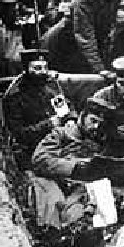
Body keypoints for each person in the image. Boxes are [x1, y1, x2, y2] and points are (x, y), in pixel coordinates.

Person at [29, 96, 115, 228]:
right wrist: (74, 165)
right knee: (54, 200)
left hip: (82, 190)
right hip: (56, 184)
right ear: (82, 116)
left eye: (100, 124)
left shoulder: (98, 144)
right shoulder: (61, 134)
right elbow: (39, 160)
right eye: (93, 121)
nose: (96, 127)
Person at [3, 49, 71, 170]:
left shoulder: (51, 85)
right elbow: (19, 134)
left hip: (60, 139)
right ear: (26, 70)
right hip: (34, 148)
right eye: (37, 68)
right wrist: (48, 124)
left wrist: (70, 119)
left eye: (45, 67)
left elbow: (63, 108)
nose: (43, 72)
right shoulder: (16, 96)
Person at [71, 0, 124, 74]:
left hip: (97, 44)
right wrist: (100, 70)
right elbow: (86, 40)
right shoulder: (84, 1)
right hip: (74, 48)